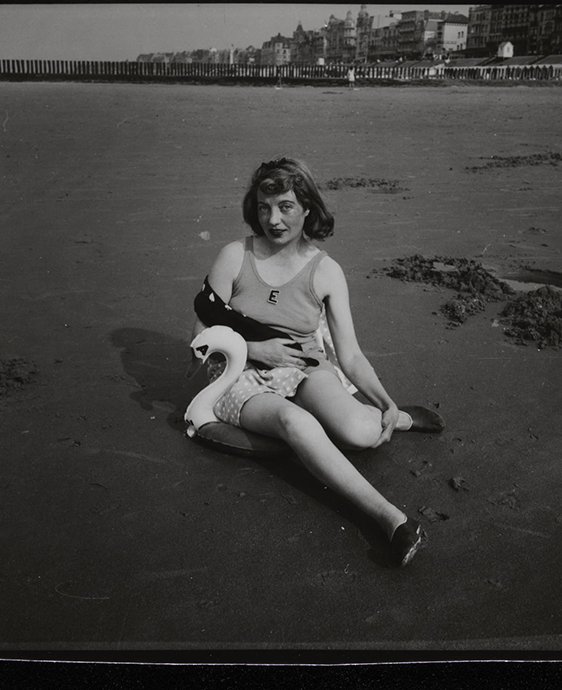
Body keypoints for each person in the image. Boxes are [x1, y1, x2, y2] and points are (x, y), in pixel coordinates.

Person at [189, 157, 443, 567]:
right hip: (238, 375)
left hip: (304, 367)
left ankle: (399, 419)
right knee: (297, 423)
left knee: (360, 432)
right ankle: (392, 520)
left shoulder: (326, 272)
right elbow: (200, 337)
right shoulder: (234, 256)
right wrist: (256, 350)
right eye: (264, 207)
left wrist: (385, 401)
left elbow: (351, 355)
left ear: (308, 208)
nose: (273, 219)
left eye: (286, 206)